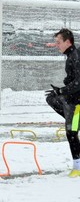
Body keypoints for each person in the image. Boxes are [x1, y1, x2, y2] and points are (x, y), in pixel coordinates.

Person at [46, 28, 80, 178]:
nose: (57, 45)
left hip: (78, 103)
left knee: (71, 133)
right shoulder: (71, 55)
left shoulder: (75, 56)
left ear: (68, 41)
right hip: (73, 100)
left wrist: (62, 90)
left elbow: (79, 82)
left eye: (58, 42)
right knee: (51, 98)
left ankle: (78, 168)